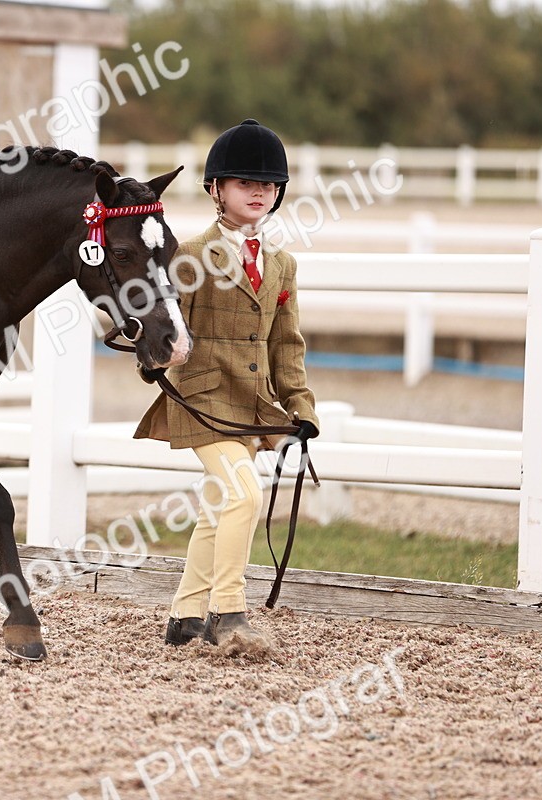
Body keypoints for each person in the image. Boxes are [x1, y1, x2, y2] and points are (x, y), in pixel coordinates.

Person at [134, 119, 320, 656]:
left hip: (252, 407)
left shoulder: (282, 265)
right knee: (243, 494)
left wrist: (299, 406)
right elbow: (159, 323)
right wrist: (154, 358)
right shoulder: (189, 256)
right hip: (202, 400)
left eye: (266, 184)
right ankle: (228, 611)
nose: (258, 192)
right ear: (216, 189)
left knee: (219, 506)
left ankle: (185, 615)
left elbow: (287, 343)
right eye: (244, 183)